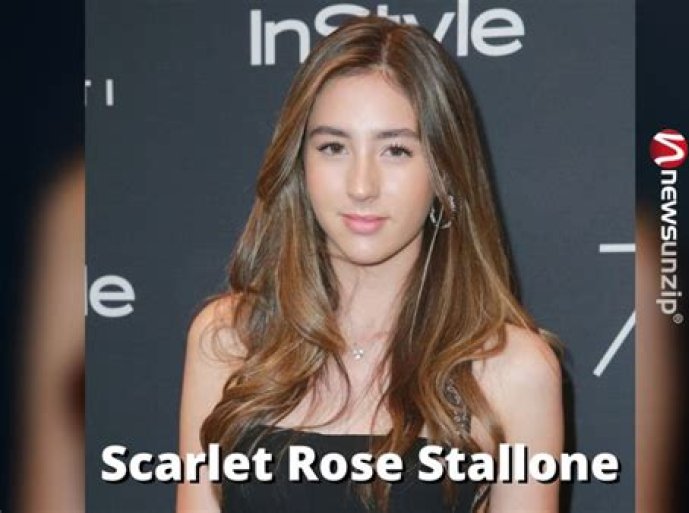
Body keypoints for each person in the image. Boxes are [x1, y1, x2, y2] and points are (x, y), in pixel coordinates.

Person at [177, 15, 563, 513]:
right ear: (300, 164)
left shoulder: (512, 370)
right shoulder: (230, 340)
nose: (362, 185)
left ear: (445, 173)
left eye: (396, 150)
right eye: (333, 147)